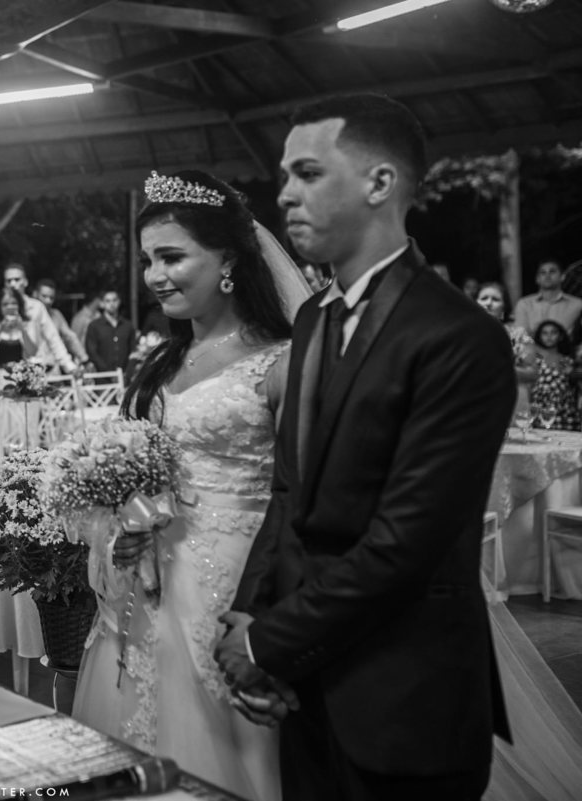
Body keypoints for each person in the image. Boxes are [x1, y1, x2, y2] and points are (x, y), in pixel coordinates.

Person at [216, 93, 514, 800]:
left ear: (380, 183)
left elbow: (404, 545)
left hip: (405, 698)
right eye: (285, 176)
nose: (285, 194)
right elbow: (288, 492)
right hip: (305, 690)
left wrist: (263, 643)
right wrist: (250, 614)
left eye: (309, 173)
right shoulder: (314, 320)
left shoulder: (458, 336)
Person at [71, 168, 311, 801]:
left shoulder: (282, 359)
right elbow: (143, 469)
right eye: (148, 260)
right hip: (149, 575)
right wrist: (118, 526)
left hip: (234, 576)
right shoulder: (163, 359)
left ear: (228, 259)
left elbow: (300, 496)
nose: (155, 276)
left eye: (172, 257)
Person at [0, 264, 78, 374]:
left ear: (25, 282)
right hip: (3, 371)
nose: (12, 284)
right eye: (8, 281)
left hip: (32, 370)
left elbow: (53, 338)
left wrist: (69, 366)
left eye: (17, 279)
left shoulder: (37, 307)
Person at [476, 281, 537, 408]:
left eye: (495, 299)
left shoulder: (518, 334)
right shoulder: (464, 333)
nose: (489, 303)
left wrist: (501, 369)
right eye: (484, 298)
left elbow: (532, 373)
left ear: (504, 307)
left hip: (510, 400)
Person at [513, 259, 582, 340]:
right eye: (543, 273)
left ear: (562, 277)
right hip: (531, 347)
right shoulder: (525, 304)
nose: (547, 275)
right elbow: (521, 335)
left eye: (552, 272)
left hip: (566, 347)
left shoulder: (577, 305)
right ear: (537, 279)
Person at [529, 320, 579, 431]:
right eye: (545, 333)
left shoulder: (566, 360)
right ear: (539, 336)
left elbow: (574, 383)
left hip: (565, 414)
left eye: (553, 332)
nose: (549, 336)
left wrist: (572, 373)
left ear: (560, 336)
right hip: (540, 413)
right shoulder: (535, 358)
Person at [34, 278, 90, 368]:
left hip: (53, 369)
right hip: (31, 368)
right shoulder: (26, 315)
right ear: (35, 294)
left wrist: (84, 359)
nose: (48, 301)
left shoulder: (56, 315)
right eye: (44, 296)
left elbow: (70, 338)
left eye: (51, 298)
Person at [84, 290, 136, 374]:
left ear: (119, 302)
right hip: (102, 377)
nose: (112, 304)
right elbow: (92, 353)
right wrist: (108, 373)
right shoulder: (94, 326)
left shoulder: (128, 326)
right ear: (102, 304)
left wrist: (127, 372)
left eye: (114, 300)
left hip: (124, 375)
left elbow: (133, 351)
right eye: (108, 301)